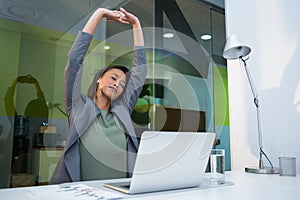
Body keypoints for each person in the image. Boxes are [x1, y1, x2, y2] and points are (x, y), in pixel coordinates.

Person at [49, 7, 146, 184]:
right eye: (114, 78)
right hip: (82, 194)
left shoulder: (123, 110)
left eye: (122, 84)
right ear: (99, 80)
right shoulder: (78, 106)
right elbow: (74, 60)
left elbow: (139, 72)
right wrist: (99, 13)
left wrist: (136, 24)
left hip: (120, 193)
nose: (117, 84)